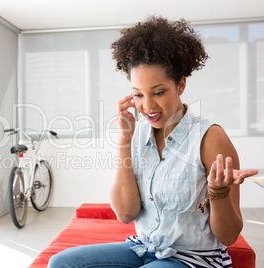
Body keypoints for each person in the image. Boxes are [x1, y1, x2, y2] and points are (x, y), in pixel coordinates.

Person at [48, 16, 259, 268]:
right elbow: (126, 215)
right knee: (61, 263)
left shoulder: (210, 138)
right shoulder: (137, 135)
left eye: (158, 92)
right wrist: (124, 141)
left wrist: (218, 192)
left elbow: (228, 236)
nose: (148, 106)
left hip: (195, 260)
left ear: (180, 84)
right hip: (143, 247)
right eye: (138, 94)